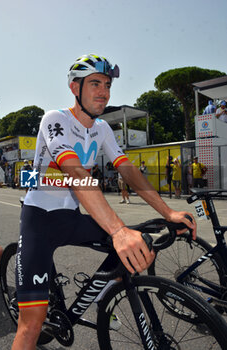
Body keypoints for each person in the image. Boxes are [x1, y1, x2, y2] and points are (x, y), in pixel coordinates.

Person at [11, 53, 196, 350]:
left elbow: (127, 170)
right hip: (40, 220)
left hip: (70, 217)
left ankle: (102, 298)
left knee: (140, 246)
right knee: (31, 325)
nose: (104, 92)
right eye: (95, 83)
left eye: (107, 85)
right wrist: (117, 230)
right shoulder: (55, 119)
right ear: (75, 88)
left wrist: (169, 211)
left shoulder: (102, 129)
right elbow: (73, 171)